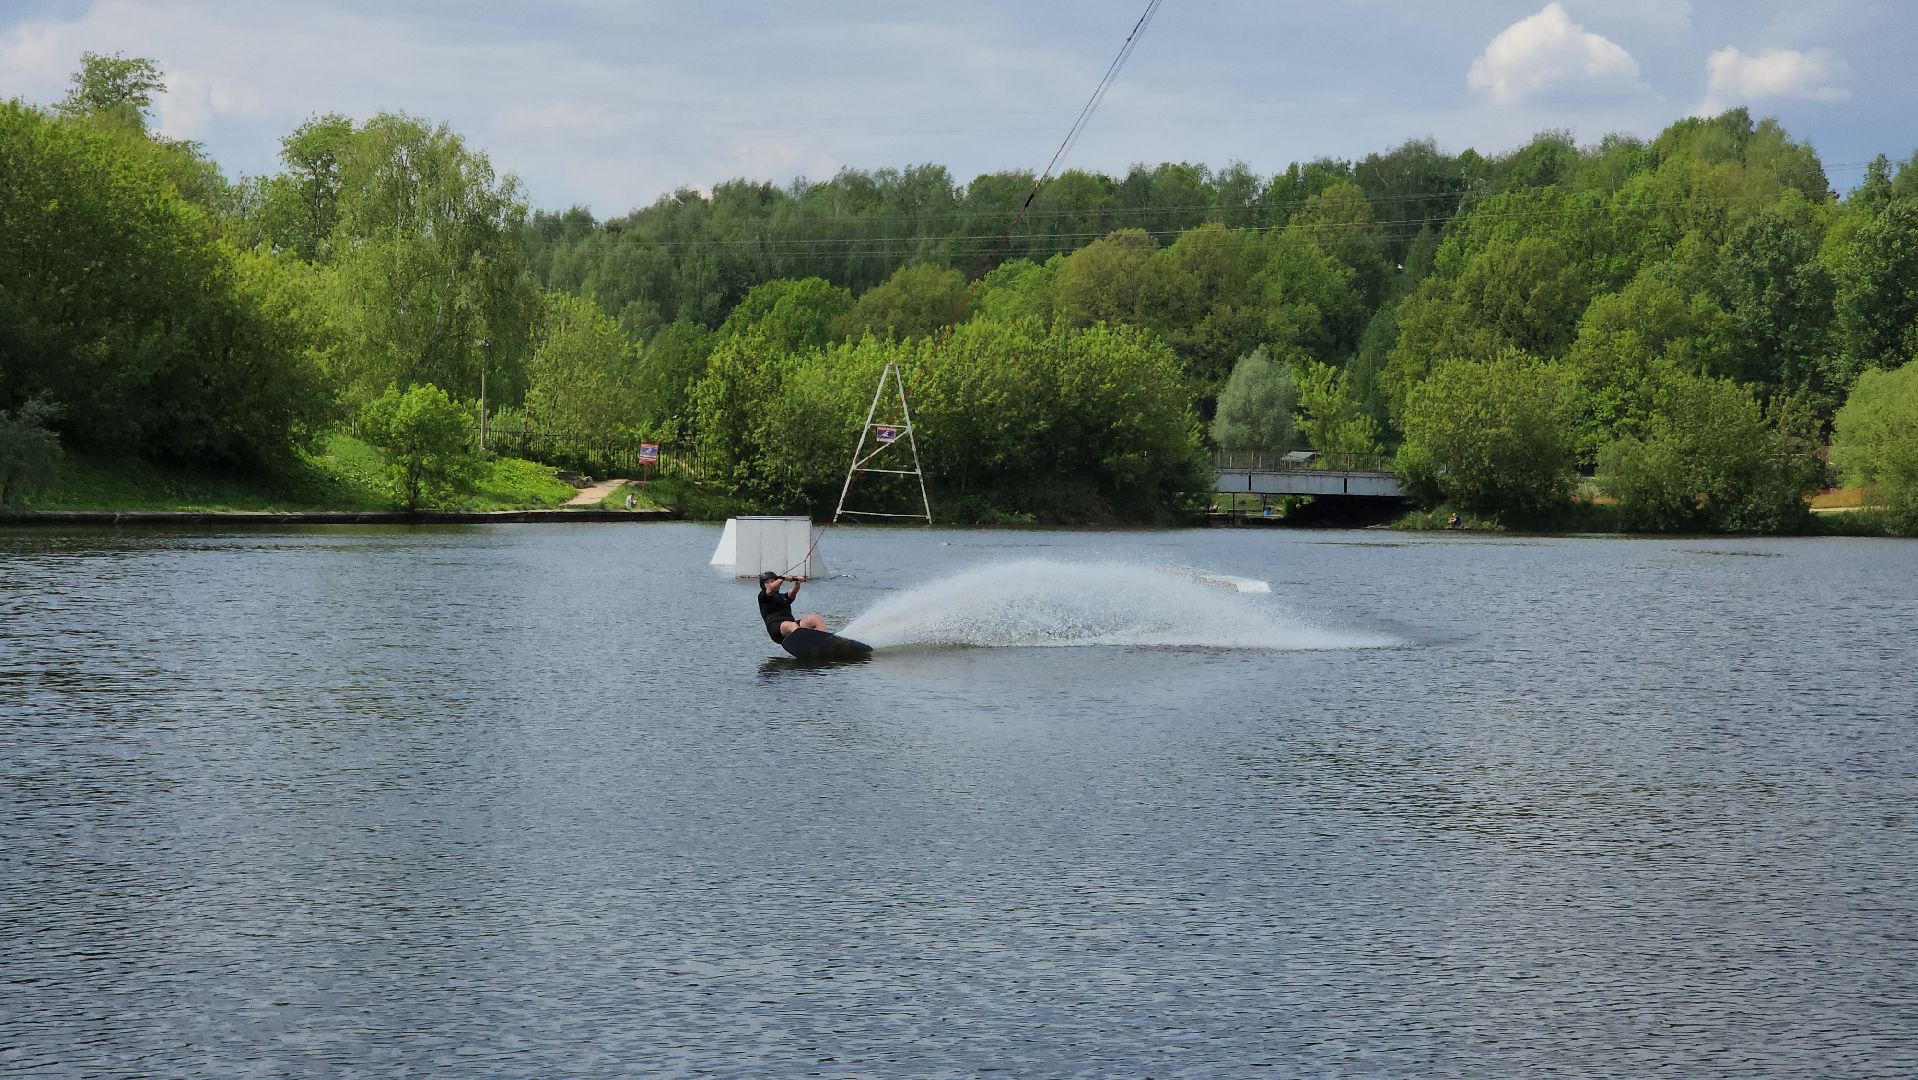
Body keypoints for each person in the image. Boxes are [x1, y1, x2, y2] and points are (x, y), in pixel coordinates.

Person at [757, 571, 828, 643]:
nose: (770, 584)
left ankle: (825, 642)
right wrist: (783, 578)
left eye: (772, 581)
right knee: (792, 625)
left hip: (792, 628)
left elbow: (793, 592)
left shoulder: (782, 597)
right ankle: (805, 645)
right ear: (763, 586)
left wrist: (797, 582)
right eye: (767, 582)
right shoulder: (762, 596)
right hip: (776, 629)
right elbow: (771, 588)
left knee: (815, 618)